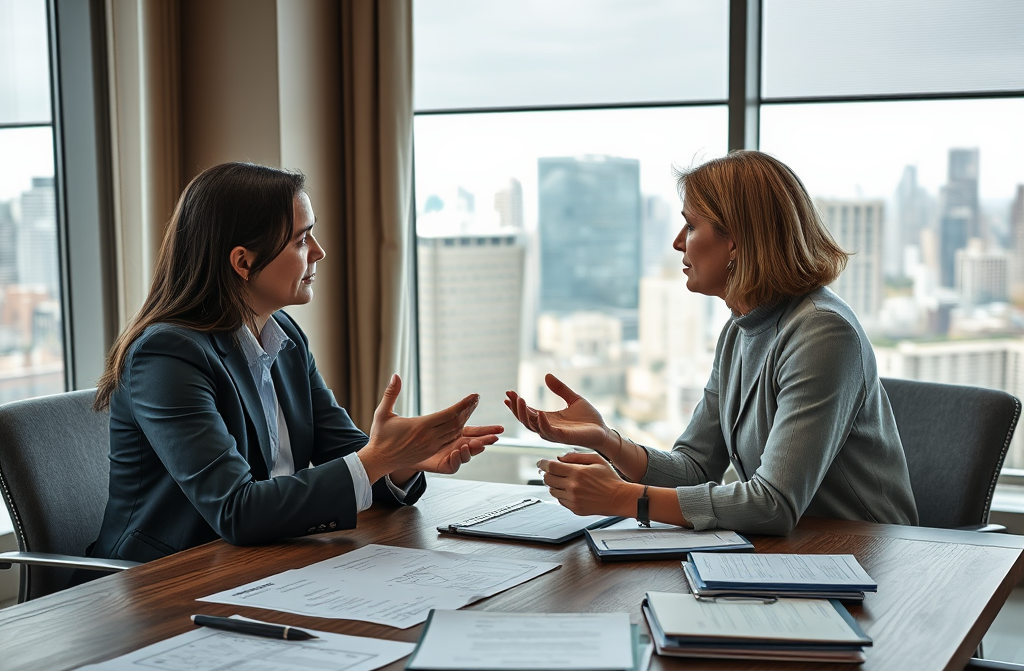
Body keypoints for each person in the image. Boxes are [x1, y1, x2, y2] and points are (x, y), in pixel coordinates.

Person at [85, 161, 502, 566]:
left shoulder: (284, 336)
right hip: (164, 582)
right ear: (243, 262)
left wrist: (402, 461)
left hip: (263, 560)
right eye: (302, 241)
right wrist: (377, 459)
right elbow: (237, 509)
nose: (319, 252)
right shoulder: (166, 356)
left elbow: (346, 452)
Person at [506, 150, 917, 536]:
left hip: (864, 557)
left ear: (735, 240)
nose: (677, 242)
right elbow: (695, 467)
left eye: (691, 225)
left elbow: (772, 504)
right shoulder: (739, 331)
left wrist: (619, 497)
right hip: (788, 555)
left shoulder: (823, 333)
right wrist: (606, 439)